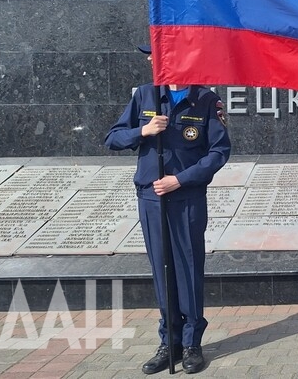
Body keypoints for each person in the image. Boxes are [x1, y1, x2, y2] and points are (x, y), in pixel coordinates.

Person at [105, 44, 230, 375]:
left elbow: (218, 152)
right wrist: (143, 131)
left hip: (185, 198)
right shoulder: (146, 96)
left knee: (187, 269)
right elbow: (113, 138)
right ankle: (169, 342)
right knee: (162, 271)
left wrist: (181, 179)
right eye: (151, 55)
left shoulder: (205, 100)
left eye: (158, 53)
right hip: (150, 198)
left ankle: (191, 344)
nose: (151, 59)